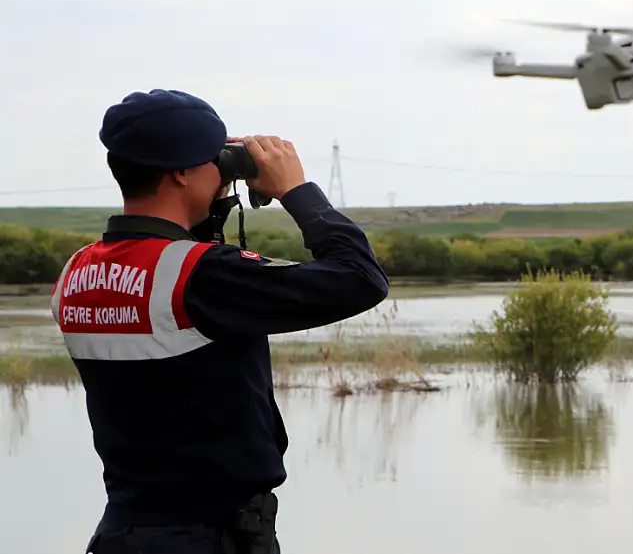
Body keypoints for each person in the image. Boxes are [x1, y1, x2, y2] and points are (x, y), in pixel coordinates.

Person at [48, 89, 390, 553]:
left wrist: (208, 210)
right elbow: (360, 278)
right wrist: (297, 191)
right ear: (181, 173)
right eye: (215, 160)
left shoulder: (77, 272)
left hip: (122, 532)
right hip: (211, 538)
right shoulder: (201, 276)